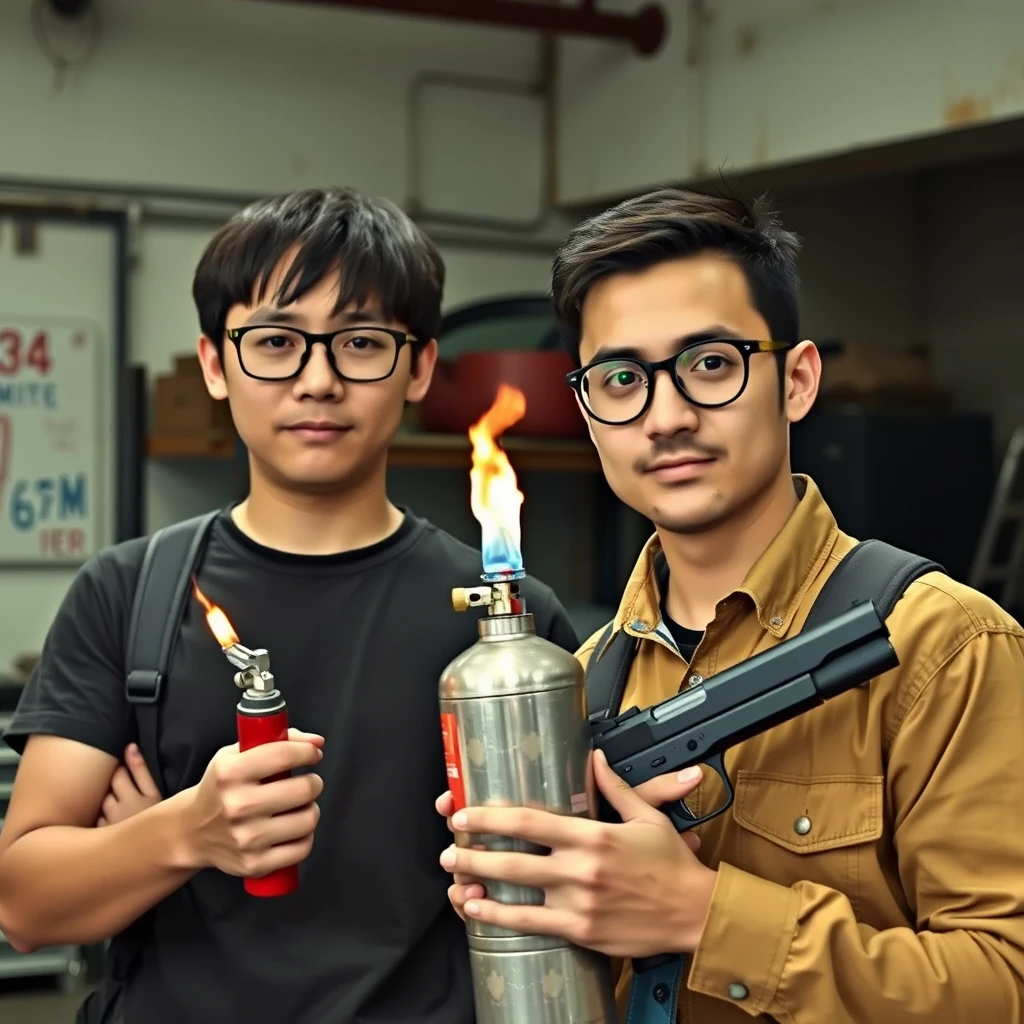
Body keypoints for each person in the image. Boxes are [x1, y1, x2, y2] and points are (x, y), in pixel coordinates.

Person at [437, 187, 1024, 1022]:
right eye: (621, 378)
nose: (666, 416)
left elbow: (1007, 982)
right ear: (588, 412)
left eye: (710, 364)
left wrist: (704, 915)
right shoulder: (581, 680)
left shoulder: (946, 646)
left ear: (797, 380)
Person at [0, 186, 581, 1024]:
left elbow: (562, 899)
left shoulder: (510, 633)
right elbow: (24, 905)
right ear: (213, 363)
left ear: (419, 366)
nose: (318, 380)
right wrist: (183, 833)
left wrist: (120, 860)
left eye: (360, 342)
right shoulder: (127, 595)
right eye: (275, 342)